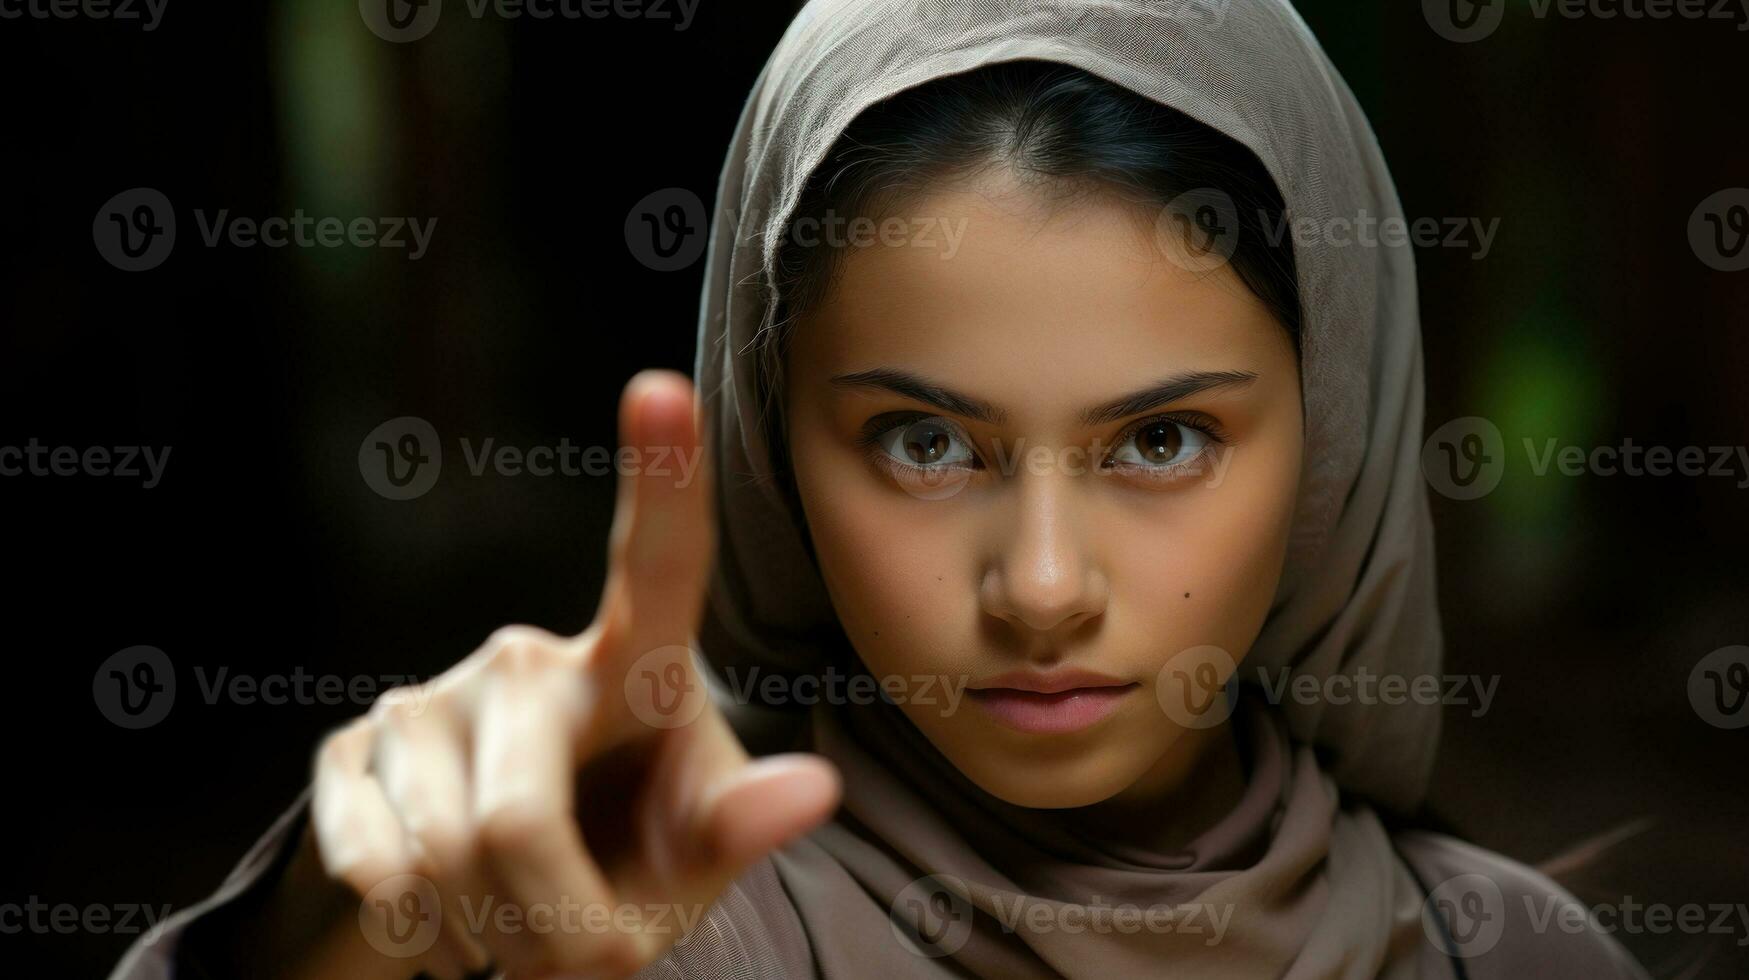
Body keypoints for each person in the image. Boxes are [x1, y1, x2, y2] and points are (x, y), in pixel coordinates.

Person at [110, 1, 1651, 977]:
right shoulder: (655, 931)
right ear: (778, 450)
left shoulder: (1509, 952)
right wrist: (339, 925)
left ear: (1338, 444)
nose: (1042, 587)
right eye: (926, 444)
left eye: (1161, 441)